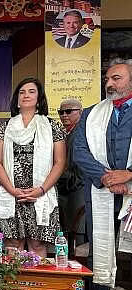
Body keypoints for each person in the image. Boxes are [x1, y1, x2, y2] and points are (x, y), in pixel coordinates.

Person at [74, 58, 132, 290]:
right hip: (102, 191)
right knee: (101, 246)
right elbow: (80, 152)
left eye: (116, 78)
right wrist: (107, 177)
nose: (109, 84)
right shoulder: (91, 113)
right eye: (107, 79)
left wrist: (129, 175)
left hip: (130, 188)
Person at [0, 78, 66, 258]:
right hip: (12, 194)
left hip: (41, 193)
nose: (26, 95)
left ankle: (36, 284)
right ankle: (13, 286)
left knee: (37, 243)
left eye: (31, 91)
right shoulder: (4, 128)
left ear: (39, 98)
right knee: (12, 244)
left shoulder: (52, 127)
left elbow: (60, 162)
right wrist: (11, 190)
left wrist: (40, 190)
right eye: (22, 92)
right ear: (16, 99)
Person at [56, 99, 85, 244]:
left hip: (77, 188)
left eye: (68, 111)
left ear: (81, 112)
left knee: (76, 235)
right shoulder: (65, 133)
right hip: (65, 187)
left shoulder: (82, 132)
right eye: (61, 112)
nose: (64, 115)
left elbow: (80, 167)